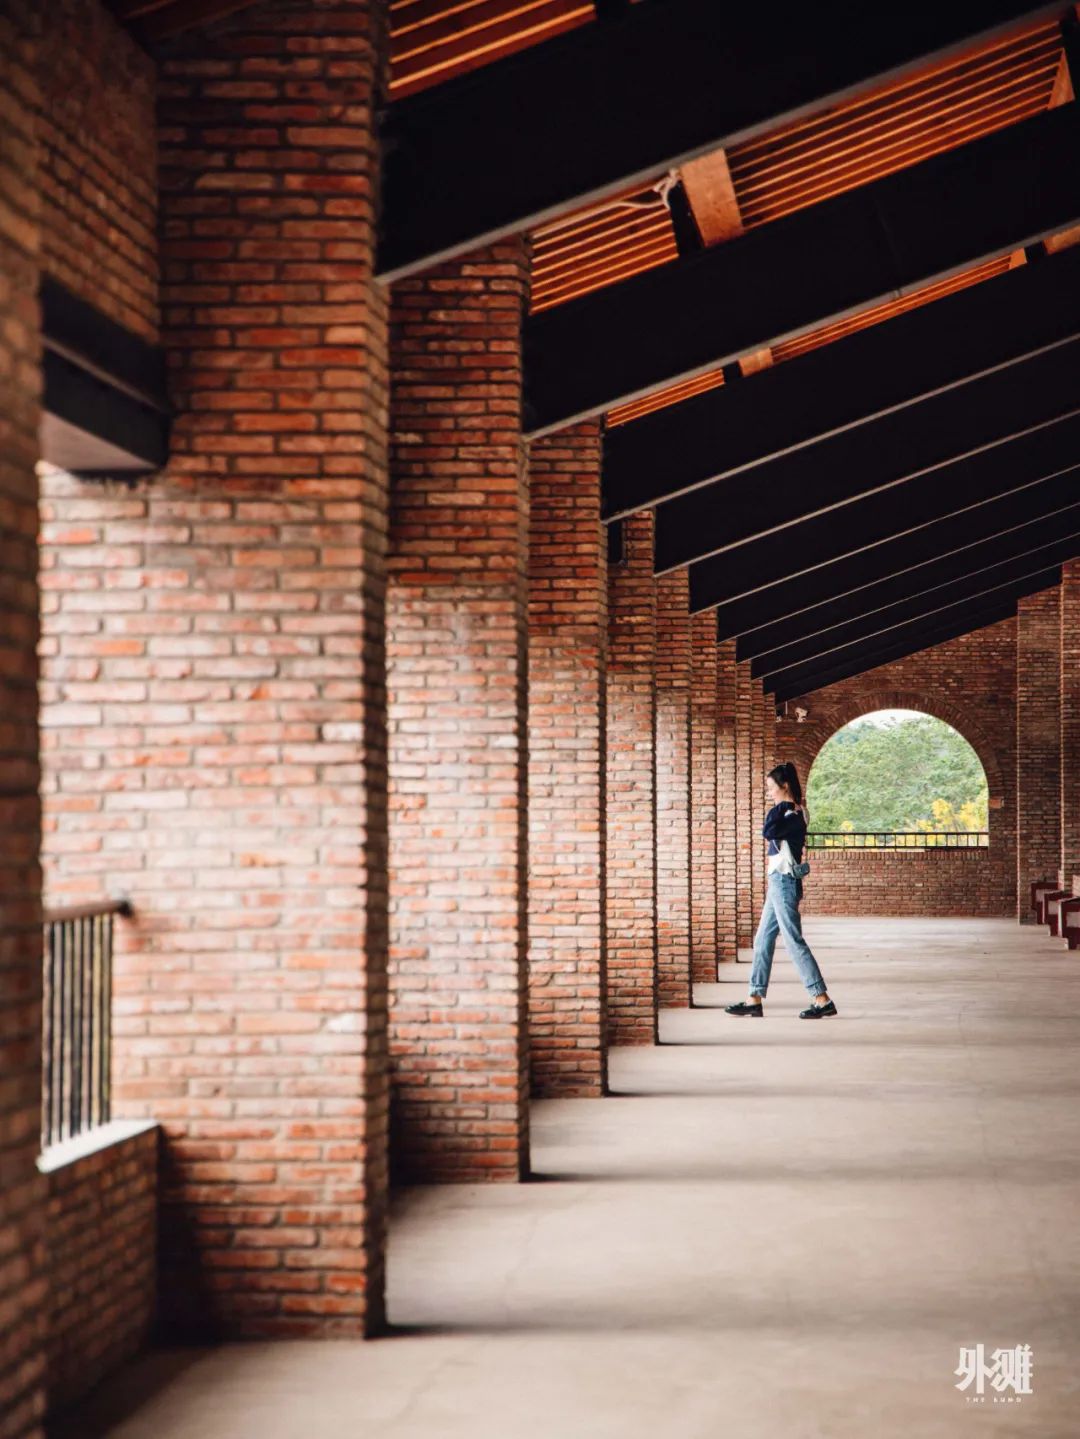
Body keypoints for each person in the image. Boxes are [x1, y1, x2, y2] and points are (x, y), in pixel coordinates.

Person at [724, 761, 837, 1019]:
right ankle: (754, 997)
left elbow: (768, 830)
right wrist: (781, 805)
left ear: (784, 786)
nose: (769, 792)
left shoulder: (794, 815)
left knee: (793, 941)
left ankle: (821, 998)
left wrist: (784, 804)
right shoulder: (786, 811)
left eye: (771, 787)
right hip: (777, 881)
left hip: (785, 882)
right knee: (762, 939)